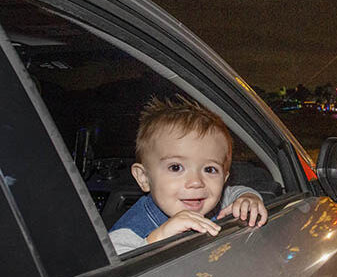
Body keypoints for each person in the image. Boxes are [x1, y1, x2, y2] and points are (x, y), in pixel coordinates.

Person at [108, 96, 268, 254]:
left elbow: (233, 193)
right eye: (176, 167)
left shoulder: (215, 204)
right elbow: (111, 273)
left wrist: (249, 198)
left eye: (210, 170)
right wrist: (158, 237)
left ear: (224, 178)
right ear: (144, 178)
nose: (196, 182)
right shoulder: (129, 231)